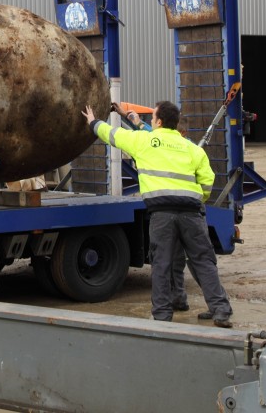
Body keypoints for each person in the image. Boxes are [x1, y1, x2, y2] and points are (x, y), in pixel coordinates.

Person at [84, 100, 233, 327]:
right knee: (203, 261)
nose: (150, 121)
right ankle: (221, 311)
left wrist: (93, 121)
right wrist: (197, 200)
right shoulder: (191, 148)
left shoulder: (144, 141)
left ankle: (163, 316)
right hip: (192, 212)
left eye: (152, 117)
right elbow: (207, 182)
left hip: (161, 213)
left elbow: (111, 135)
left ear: (159, 122)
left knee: (161, 263)